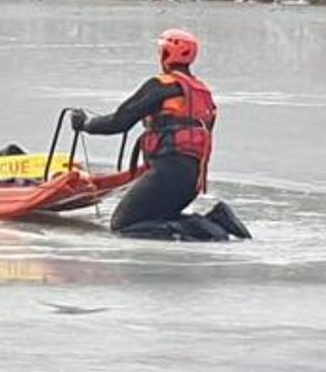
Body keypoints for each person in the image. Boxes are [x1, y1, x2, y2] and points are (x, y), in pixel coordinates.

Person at [71, 29, 250, 241]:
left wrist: (86, 124)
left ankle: (210, 226)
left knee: (123, 225)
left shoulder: (161, 85)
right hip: (192, 180)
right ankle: (216, 218)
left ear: (166, 54)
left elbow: (120, 121)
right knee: (157, 217)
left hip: (167, 174)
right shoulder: (201, 92)